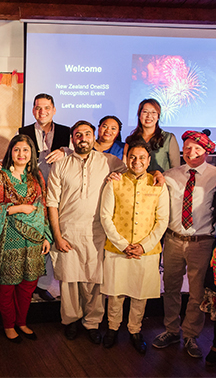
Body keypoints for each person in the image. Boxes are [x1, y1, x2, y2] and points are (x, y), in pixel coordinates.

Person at [47, 121, 127, 344]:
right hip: (68, 230)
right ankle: (71, 321)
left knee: (94, 281)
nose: (83, 138)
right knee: (70, 282)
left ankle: (92, 323)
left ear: (94, 137)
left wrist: (155, 175)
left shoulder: (110, 161)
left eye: (87, 134)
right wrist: (57, 236)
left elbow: (133, 177)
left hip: (98, 232)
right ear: (72, 139)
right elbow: (52, 202)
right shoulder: (61, 164)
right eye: (78, 134)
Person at [0, 93, 70, 301]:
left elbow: (78, 155)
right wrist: (0, 164)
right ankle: (28, 282)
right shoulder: (23, 131)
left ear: (54, 110)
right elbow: (17, 153)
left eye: (46, 108)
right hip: (33, 190)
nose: (42, 111)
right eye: (37, 108)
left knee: (52, 235)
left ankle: (43, 283)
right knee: (36, 236)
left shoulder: (66, 132)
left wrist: (65, 151)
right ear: (33, 110)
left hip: (60, 191)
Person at [99, 141, 169, 354]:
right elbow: (105, 216)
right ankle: (112, 328)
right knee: (116, 293)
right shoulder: (114, 182)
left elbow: (162, 220)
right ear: (126, 158)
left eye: (141, 158)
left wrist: (144, 246)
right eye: (132, 157)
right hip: (117, 248)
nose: (136, 161)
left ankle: (135, 330)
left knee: (140, 294)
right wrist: (123, 245)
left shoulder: (157, 184)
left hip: (146, 251)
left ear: (149, 160)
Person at [0, 134, 52, 343]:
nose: (21, 154)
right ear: (10, 153)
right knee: (6, 287)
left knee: (28, 285)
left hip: (34, 242)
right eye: (17, 149)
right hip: (8, 241)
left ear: (31, 154)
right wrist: (17, 208)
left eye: (26, 150)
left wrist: (46, 236)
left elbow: (43, 208)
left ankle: (22, 322)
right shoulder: (1, 177)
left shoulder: (36, 176)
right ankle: (9, 325)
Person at [152, 130, 216, 359]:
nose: (191, 153)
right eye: (187, 148)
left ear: (207, 151)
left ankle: (190, 334)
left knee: (197, 292)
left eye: (197, 149)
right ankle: (171, 330)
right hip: (173, 239)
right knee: (170, 288)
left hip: (202, 242)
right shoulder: (170, 175)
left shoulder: (215, 175)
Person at [124, 98, 180, 172]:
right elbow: (125, 167)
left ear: (158, 116)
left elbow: (175, 169)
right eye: (145, 112)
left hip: (161, 182)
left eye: (153, 112)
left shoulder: (168, 138)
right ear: (139, 115)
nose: (149, 116)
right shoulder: (131, 139)